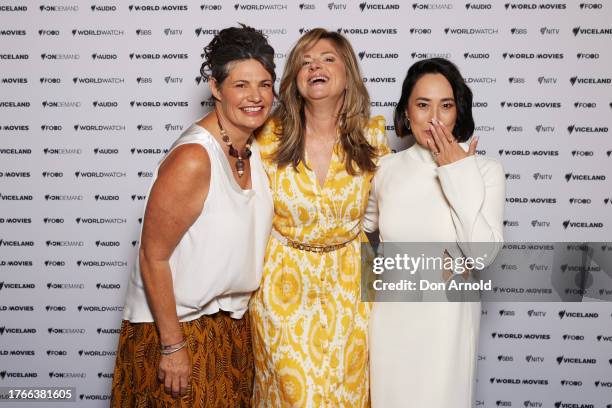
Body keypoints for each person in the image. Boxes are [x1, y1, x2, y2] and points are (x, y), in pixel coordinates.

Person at [110, 25, 275, 407]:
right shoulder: (193, 158)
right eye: (241, 85)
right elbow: (153, 256)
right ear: (215, 88)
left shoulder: (255, 148)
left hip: (231, 330)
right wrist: (172, 346)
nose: (255, 97)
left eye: (265, 85)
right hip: (178, 332)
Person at [249, 28, 389, 407]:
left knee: (350, 394)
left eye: (327, 59)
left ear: (348, 74)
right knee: (296, 396)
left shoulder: (373, 136)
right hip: (283, 287)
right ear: (295, 78)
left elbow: (399, 205)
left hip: (351, 288)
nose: (316, 67)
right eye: (305, 62)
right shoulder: (265, 137)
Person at [364, 58, 505, 408]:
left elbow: (482, 255)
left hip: (449, 325)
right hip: (392, 321)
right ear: (406, 113)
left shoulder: (485, 171)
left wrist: (457, 171)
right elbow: (360, 233)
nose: (435, 117)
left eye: (446, 105)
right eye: (423, 105)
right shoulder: (384, 169)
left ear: (459, 112)